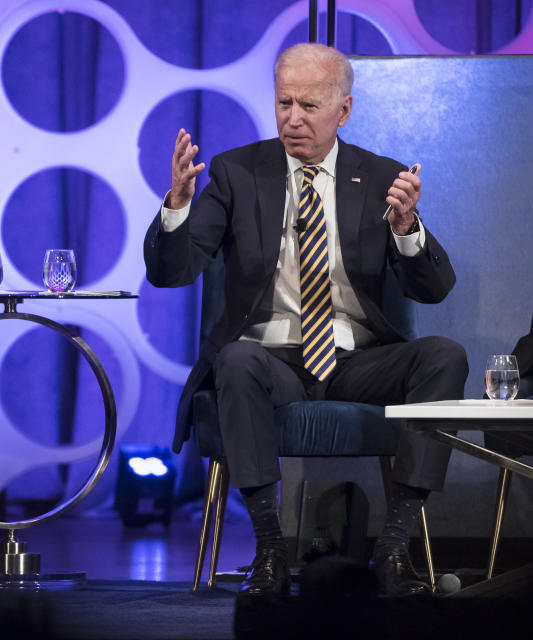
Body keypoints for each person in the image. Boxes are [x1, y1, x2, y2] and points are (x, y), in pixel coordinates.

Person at [143, 43, 467, 597]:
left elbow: (433, 290)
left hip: (356, 360)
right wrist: (176, 204)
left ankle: (394, 548)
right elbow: (174, 273)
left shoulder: (381, 175)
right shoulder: (236, 172)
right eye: (284, 102)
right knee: (237, 357)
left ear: (343, 110)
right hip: (270, 360)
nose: (293, 118)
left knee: (445, 355)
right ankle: (269, 549)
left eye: (309, 106)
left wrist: (407, 227)